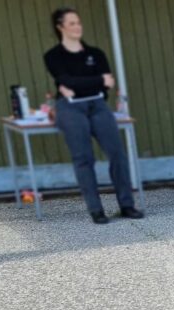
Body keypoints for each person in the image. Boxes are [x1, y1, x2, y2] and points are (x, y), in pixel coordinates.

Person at [43, 7, 140, 223]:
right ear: (60, 27)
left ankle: (127, 205)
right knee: (84, 158)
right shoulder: (53, 56)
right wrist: (96, 81)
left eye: (78, 22)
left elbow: (107, 85)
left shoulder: (95, 54)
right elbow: (68, 81)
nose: (77, 27)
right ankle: (96, 210)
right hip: (70, 108)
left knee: (117, 153)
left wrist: (76, 85)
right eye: (72, 23)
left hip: (98, 105)